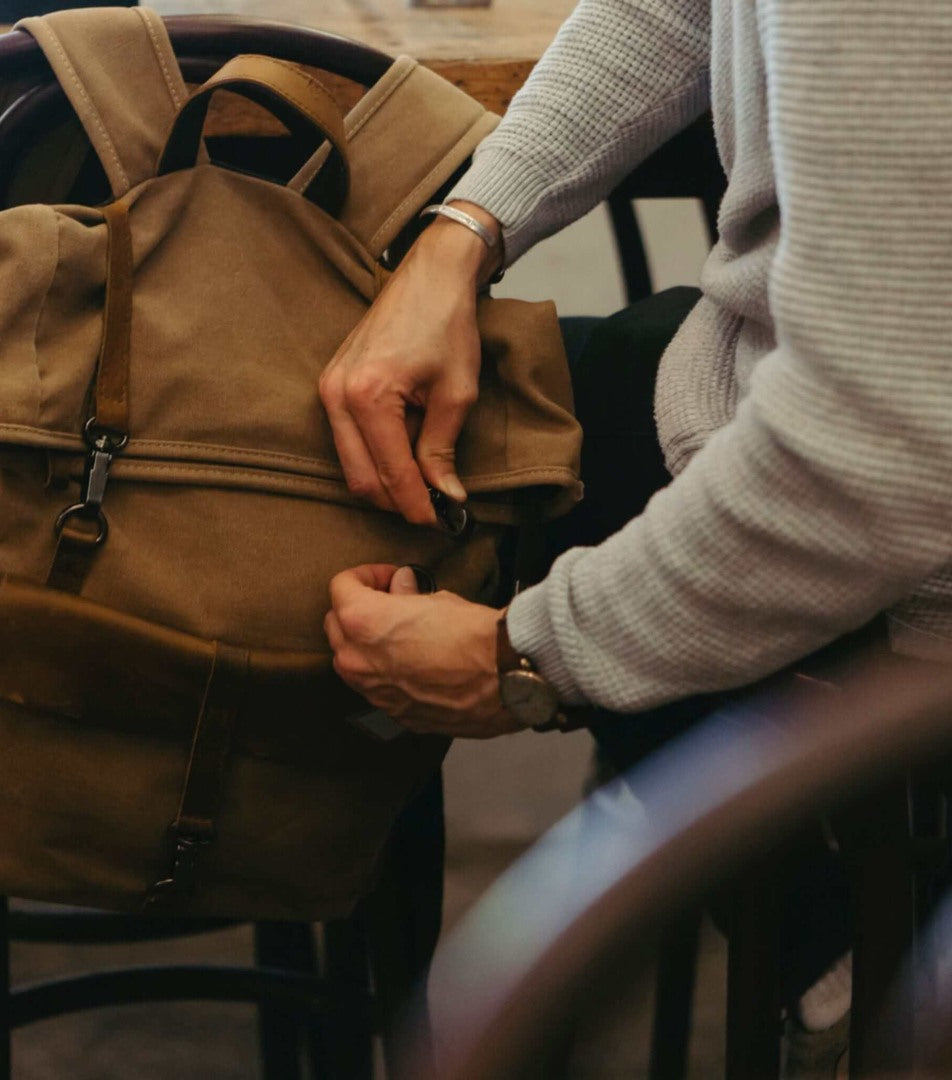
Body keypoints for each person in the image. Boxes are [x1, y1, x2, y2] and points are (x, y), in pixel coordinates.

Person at [321, 0, 952, 1064]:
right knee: (556, 400)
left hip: (894, 534)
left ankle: (861, 959)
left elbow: (870, 466)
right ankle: (828, 931)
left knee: (489, 476)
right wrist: (462, 234)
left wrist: (521, 659)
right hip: (801, 400)